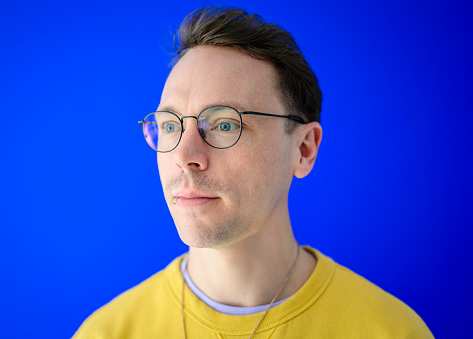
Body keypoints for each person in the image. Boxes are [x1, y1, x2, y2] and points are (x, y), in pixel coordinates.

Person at [73, 6, 433, 338]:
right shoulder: (107, 332)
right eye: (170, 126)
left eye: (225, 125)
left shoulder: (390, 330)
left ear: (303, 150)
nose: (184, 155)